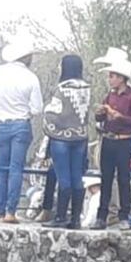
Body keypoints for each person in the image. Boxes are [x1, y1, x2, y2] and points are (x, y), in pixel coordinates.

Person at [0, 40, 43, 223]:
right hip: (21, 124)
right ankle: (11, 211)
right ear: (27, 58)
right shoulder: (31, 78)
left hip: (1, 124)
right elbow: (37, 108)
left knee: (1, 170)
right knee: (16, 168)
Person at [42, 54, 91, 229]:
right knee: (77, 177)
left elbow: (53, 112)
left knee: (63, 177)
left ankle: (60, 216)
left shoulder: (62, 89)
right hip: (81, 137)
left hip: (62, 137)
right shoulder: (86, 88)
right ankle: (75, 218)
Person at [94, 59, 131, 230]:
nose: (110, 79)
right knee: (105, 179)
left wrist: (119, 117)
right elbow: (100, 120)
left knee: (123, 179)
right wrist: (100, 114)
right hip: (108, 139)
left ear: (122, 78)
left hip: (123, 141)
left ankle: (124, 215)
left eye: (112, 76)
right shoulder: (110, 95)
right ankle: (102, 216)